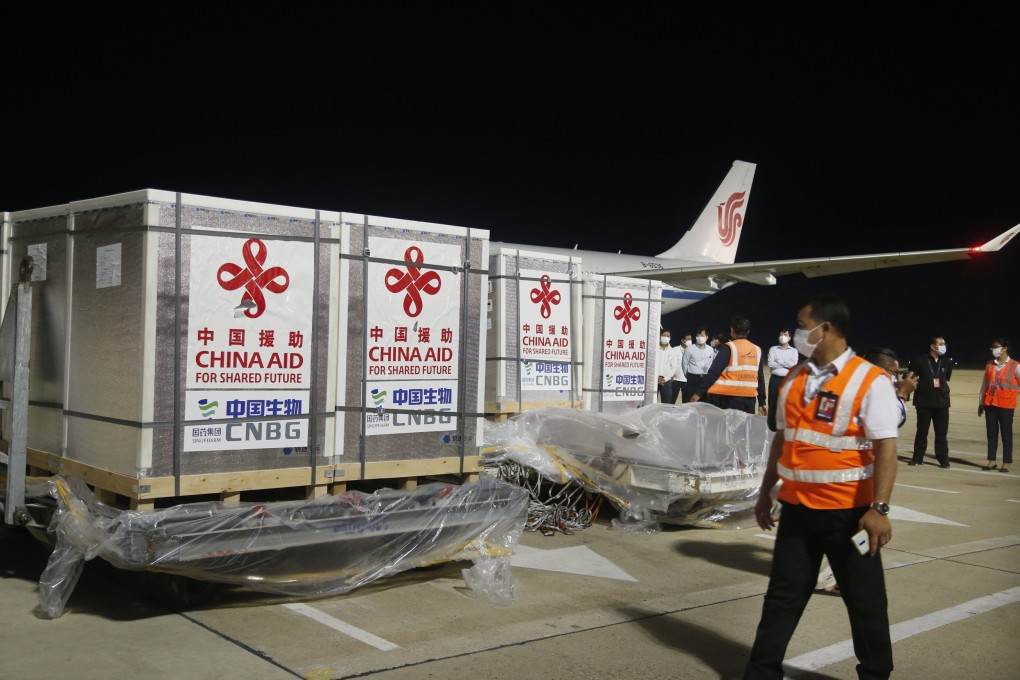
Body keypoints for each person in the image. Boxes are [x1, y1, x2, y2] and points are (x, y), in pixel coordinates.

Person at [744, 294, 899, 680]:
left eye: (802, 324)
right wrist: (766, 492)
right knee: (781, 598)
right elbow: (783, 439)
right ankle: (761, 673)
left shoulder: (869, 380)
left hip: (850, 517)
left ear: (825, 328)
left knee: (865, 604)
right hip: (798, 512)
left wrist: (879, 509)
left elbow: (886, 448)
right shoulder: (794, 378)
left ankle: (876, 674)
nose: (798, 332)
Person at [689, 317, 767, 415]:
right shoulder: (757, 349)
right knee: (745, 429)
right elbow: (760, 377)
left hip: (731, 398)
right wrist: (762, 401)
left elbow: (714, 373)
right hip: (750, 399)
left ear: (732, 330)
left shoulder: (728, 348)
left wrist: (698, 393)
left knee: (730, 429)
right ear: (748, 331)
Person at [907, 336, 952, 467]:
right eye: (941, 343)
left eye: (944, 343)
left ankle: (944, 460)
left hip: (942, 403)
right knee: (921, 432)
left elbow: (946, 378)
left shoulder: (947, 362)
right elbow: (912, 377)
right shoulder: (919, 360)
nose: (944, 345)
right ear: (932, 346)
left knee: (942, 434)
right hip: (924, 402)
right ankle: (917, 458)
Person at [978, 338, 1019, 473]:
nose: (993, 349)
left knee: (1006, 435)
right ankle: (991, 461)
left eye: (996, 347)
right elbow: (985, 384)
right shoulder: (990, 364)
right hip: (990, 403)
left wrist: (1013, 393)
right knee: (991, 434)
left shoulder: (1015, 365)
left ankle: (1006, 462)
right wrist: (981, 402)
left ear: (1005, 348)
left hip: (1006, 405)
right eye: (992, 347)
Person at [766, 329, 799, 431]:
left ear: (789, 337)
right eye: (781, 334)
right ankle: (772, 426)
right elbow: (771, 364)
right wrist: (786, 363)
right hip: (775, 380)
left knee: (785, 403)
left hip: (787, 380)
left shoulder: (794, 351)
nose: (782, 336)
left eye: (785, 334)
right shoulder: (773, 349)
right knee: (773, 402)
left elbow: (793, 365)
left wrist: (779, 360)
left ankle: (785, 426)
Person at [681, 328, 714, 403]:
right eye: (698, 335)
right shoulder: (689, 349)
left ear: (707, 337)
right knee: (691, 401)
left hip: (705, 378)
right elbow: (684, 364)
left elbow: (711, 363)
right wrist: (688, 375)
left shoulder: (710, 349)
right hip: (693, 378)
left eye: (702, 335)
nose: (700, 337)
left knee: (704, 401)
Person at [655, 328, 677, 404]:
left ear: (670, 338)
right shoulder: (654, 348)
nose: (665, 337)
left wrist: (666, 379)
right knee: (651, 403)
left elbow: (673, 367)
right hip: (654, 380)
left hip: (666, 381)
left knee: (666, 404)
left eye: (667, 336)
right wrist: (656, 378)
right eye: (663, 335)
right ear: (660, 336)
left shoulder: (672, 351)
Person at [671, 337, 687, 403]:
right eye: (688, 339)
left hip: (686, 380)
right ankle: (669, 412)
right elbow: (670, 362)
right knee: (671, 400)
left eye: (690, 339)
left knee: (685, 402)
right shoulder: (675, 349)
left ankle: (685, 413)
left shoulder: (691, 350)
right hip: (675, 379)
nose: (690, 341)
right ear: (682, 340)